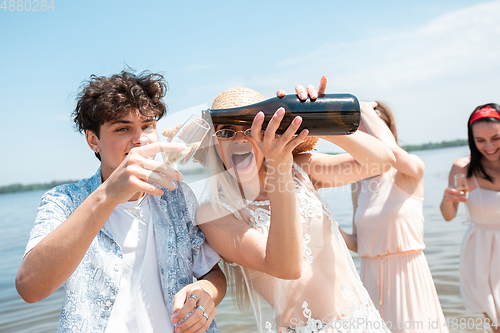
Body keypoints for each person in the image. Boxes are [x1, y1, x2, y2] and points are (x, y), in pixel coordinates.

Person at [15, 70, 226, 333]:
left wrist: (206, 291)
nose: (140, 139)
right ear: (94, 140)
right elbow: (29, 288)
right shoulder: (63, 201)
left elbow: (212, 274)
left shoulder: (178, 195)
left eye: (147, 126)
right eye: (123, 128)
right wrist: (109, 194)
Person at [194, 76, 396, 332]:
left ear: (269, 131)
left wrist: (321, 118)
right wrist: (279, 168)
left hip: (362, 321)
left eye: (251, 128)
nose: (240, 139)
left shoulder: (300, 168)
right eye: (226, 131)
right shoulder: (214, 213)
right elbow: (285, 267)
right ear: (215, 143)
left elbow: (383, 162)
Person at [340, 101, 448, 332]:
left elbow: (392, 154)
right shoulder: (358, 183)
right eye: (358, 129)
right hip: (370, 282)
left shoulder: (409, 171)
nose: (364, 135)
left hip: (408, 281)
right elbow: (360, 244)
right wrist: (330, 226)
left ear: (387, 130)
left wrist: (364, 109)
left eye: (369, 127)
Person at [440, 103, 500, 332]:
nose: (490, 146)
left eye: (496, 137)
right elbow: (448, 216)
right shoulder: (462, 169)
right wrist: (448, 199)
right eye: (480, 140)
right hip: (482, 253)